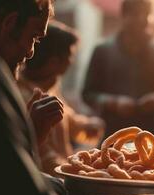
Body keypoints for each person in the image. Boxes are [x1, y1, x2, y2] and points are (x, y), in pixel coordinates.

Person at [0, 0, 65, 195]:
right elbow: (20, 189)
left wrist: (25, 133)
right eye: (34, 37)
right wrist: (26, 134)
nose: (30, 52)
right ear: (9, 24)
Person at [82, 0, 154, 141]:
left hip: (151, 137)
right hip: (113, 137)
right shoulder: (102, 51)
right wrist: (113, 103)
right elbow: (87, 94)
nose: (141, 19)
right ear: (123, 16)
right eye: (135, 14)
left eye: (145, 15)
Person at [19, 21, 105, 176]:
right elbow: (45, 158)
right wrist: (82, 173)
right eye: (70, 56)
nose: (72, 61)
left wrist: (87, 126)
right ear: (53, 62)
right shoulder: (28, 99)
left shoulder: (51, 85)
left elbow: (65, 117)